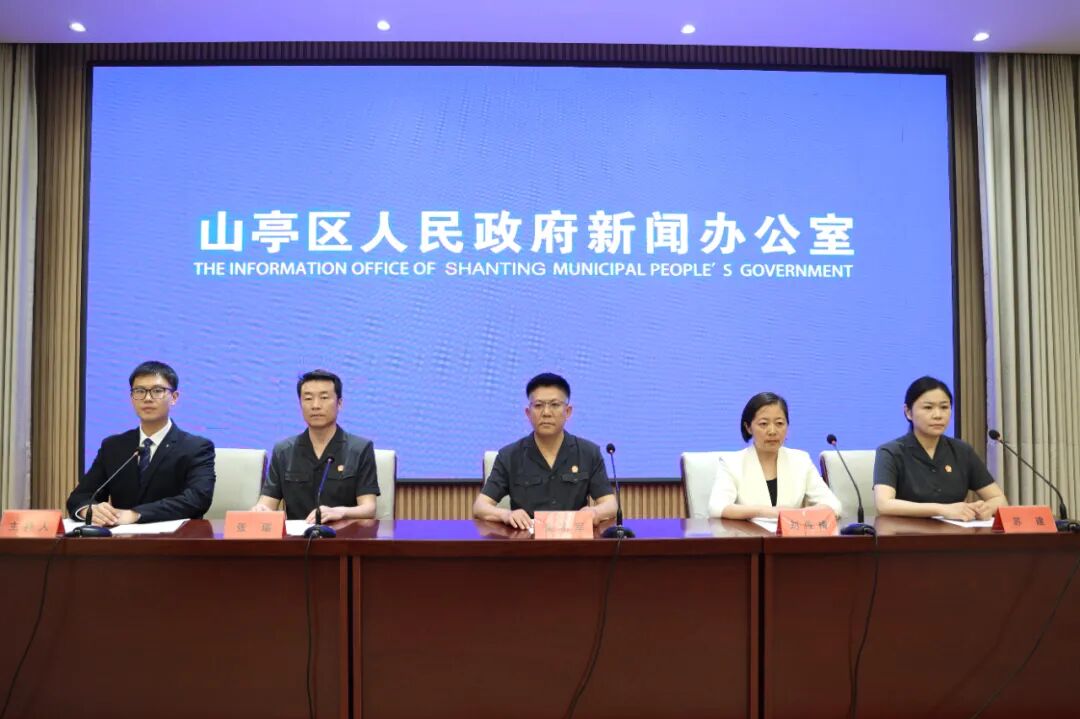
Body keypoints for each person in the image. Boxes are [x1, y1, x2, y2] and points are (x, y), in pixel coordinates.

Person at [66, 361, 215, 525]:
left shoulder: (196, 447)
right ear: (132, 398)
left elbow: (197, 499)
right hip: (121, 538)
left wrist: (136, 515)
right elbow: (80, 497)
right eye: (139, 391)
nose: (147, 398)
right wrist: (89, 510)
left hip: (176, 537)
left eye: (157, 391)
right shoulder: (113, 446)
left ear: (174, 397)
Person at [474, 373, 617, 530]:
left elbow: (610, 504)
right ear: (528, 413)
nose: (546, 412)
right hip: (526, 538)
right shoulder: (509, 456)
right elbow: (480, 507)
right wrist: (506, 515)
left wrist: (594, 512)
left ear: (568, 411)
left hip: (574, 537)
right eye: (538, 405)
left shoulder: (588, 453)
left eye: (555, 405)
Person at [252, 369, 379, 522]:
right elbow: (267, 503)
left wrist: (340, 512)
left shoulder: (360, 449)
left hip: (344, 534)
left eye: (324, 397)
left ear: (339, 404)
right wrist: (261, 510)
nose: (315, 405)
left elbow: (369, 508)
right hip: (297, 536)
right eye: (308, 398)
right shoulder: (283, 451)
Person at [873, 376, 1007, 520]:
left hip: (954, 532)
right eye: (928, 407)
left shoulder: (962, 451)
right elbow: (884, 505)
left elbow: (999, 499)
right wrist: (942, 509)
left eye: (944, 407)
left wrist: (985, 508)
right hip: (905, 532)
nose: (938, 415)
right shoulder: (890, 452)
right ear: (908, 412)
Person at [708, 392, 841, 519]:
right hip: (747, 533)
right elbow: (717, 507)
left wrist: (796, 515)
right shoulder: (732, 463)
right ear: (748, 427)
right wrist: (768, 512)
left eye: (779, 423)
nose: (772, 431)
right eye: (763, 424)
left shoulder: (801, 460)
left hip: (791, 533)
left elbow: (833, 506)